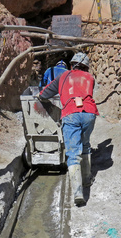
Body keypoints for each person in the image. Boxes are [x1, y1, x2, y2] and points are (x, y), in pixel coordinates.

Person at [37, 52, 99, 206]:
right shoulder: (90, 78)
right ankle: (86, 179)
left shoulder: (63, 77)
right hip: (90, 113)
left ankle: (78, 192)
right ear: (86, 67)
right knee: (85, 144)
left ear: (71, 65)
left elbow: (45, 94)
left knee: (73, 152)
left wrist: (42, 97)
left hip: (71, 113)